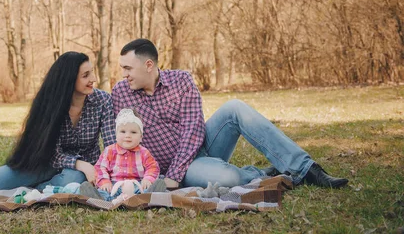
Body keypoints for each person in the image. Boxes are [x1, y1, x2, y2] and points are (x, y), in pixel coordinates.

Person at [111, 38, 349, 190]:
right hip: (170, 168)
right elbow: (119, 139)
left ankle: (307, 169)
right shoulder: (122, 93)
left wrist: (175, 175)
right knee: (229, 180)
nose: (124, 74)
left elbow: (193, 131)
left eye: (128, 68)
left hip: (199, 152)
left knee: (235, 107)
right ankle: (259, 173)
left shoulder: (181, 80)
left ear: (149, 65)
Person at [0, 51, 115, 190]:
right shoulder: (50, 103)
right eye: (86, 75)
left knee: (72, 181)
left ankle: (40, 189)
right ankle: (48, 187)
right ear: (69, 79)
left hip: (83, 169)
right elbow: (50, 152)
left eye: (92, 72)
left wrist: (102, 171)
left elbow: (111, 145)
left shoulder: (103, 100)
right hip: (48, 163)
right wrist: (80, 164)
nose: (93, 78)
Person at [79, 109, 166, 201]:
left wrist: (148, 179)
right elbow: (101, 168)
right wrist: (105, 182)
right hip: (114, 186)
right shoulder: (110, 151)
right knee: (104, 191)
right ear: (116, 135)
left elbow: (152, 167)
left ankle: (146, 197)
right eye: (123, 132)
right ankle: (100, 199)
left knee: (146, 189)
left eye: (133, 132)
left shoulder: (143, 152)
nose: (128, 135)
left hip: (136, 186)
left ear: (141, 137)